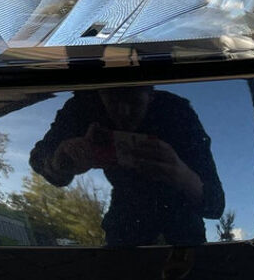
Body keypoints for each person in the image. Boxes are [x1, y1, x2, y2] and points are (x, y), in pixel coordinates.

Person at [30, 86, 224, 246]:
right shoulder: (83, 107)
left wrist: (181, 174)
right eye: (113, 100)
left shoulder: (177, 112)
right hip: (127, 228)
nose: (123, 112)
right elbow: (39, 157)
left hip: (181, 230)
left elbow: (216, 204)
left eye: (134, 101)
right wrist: (61, 159)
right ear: (100, 94)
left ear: (151, 96)